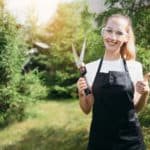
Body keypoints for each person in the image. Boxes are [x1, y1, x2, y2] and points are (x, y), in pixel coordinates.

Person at [77, 14, 150, 150]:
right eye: (109, 31)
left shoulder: (135, 67)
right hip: (99, 141)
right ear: (103, 32)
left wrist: (145, 93)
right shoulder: (90, 68)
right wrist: (81, 93)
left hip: (131, 142)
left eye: (119, 33)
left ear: (126, 38)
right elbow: (86, 109)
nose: (112, 37)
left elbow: (136, 108)